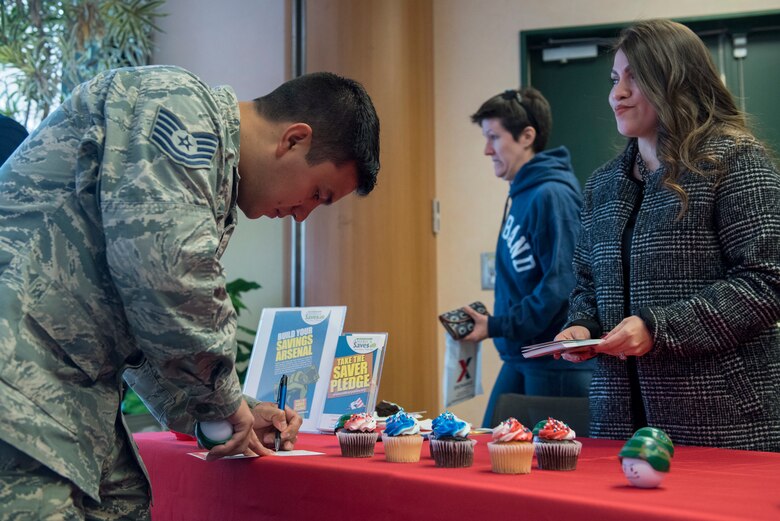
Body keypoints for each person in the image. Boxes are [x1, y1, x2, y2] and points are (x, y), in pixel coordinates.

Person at [0, 65, 380, 518]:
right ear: (294, 139)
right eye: (318, 193)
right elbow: (167, 274)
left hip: (61, 387)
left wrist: (235, 410)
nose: (303, 215)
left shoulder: (213, 180)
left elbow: (148, 326)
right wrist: (223, 401)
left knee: (125, 504)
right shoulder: (178, 101)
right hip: (20, 376)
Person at [556, 19, 780, 451]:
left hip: (722, 423)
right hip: (618, 424)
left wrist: (658, 329)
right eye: (614, 78)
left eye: (634, 79)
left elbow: (766, 281)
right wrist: (582, 327)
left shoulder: (735, 160)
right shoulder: (603, 185)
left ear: (675, 80)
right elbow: (587, 284)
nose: (616, 93)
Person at [460, 87, 595, 428]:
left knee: (547, 470)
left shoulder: (553, 195)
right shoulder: (524, 194)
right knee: (492, 445)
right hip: (523, 355)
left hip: (553, 363)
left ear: (527, 136)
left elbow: (562, 286)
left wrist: (497, 325)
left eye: (494, 137)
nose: (487, 149)